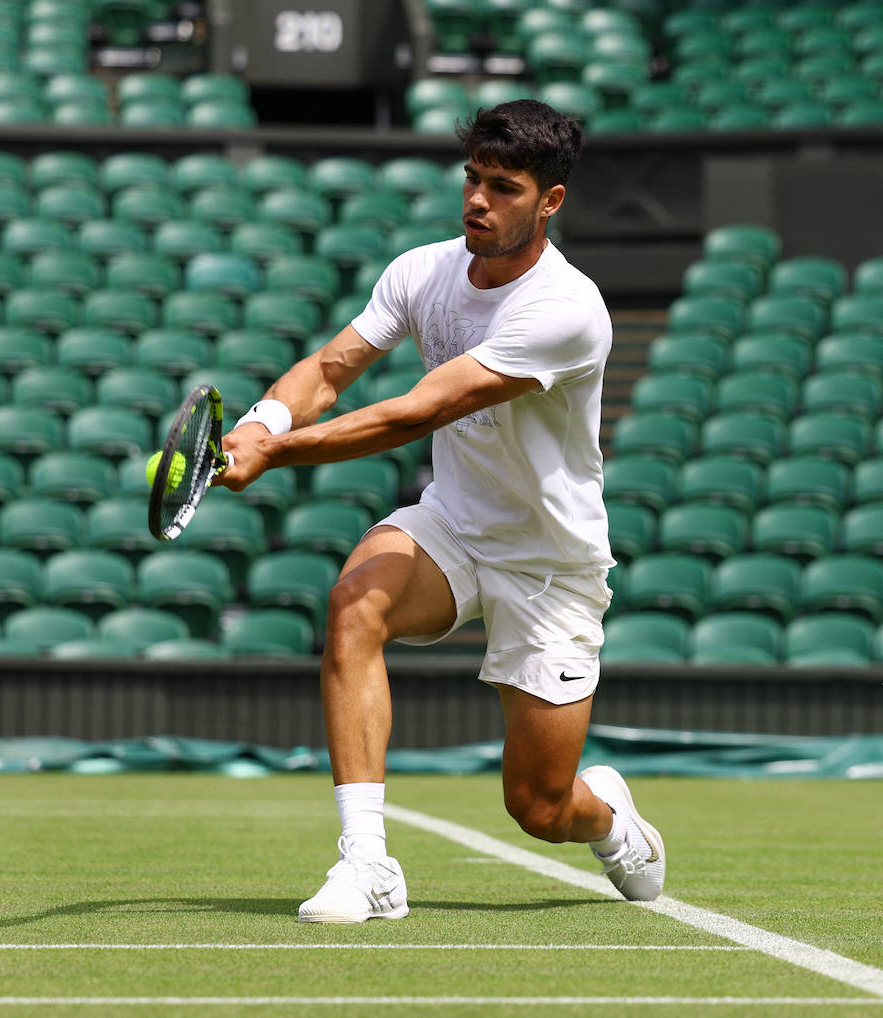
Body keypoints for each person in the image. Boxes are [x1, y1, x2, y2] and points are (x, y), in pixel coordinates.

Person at [217, 99, 665, 923]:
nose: (478, 201)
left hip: (549, 562)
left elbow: (415, 412)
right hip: (453, 525)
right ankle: (367, 864)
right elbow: (331, 368)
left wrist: (276, 456)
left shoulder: (567, 310)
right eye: (472, 179)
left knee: (539, 807)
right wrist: (262, 421)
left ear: (550, 202)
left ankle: (609, 817)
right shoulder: (421, 271)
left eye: (503, 187)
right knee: (354, 604)